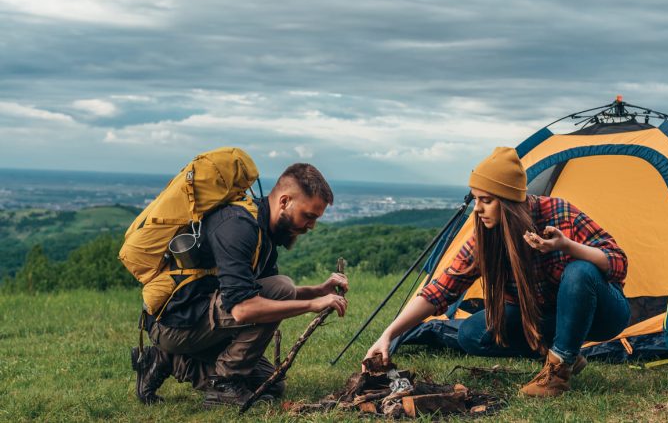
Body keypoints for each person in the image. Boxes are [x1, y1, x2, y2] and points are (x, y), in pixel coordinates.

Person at [364, 147, 630, 397]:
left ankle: (559, 371)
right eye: (475, 199)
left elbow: (618, 262)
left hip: (604, 314)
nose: (477, 209)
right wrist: (388, 335)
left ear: (509, 202)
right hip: (544, 317)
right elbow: (440, 291)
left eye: (486, 200)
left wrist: (567, 246)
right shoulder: (486, 238)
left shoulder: (558, 213)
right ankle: (562, 353)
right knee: (472, 333)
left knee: (580, 271)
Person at [133, 163, 350, 408]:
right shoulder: (238, 225)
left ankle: (165, 360)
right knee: (282, 287)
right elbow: (243, 309)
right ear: (285, 201)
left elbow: (261, 294)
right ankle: (224, 384)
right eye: (308, 216)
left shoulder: (264, 234)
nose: (311, 226)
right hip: (175, 323)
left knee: (270, 384)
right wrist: (312, 304)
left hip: (199, 321)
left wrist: (318, 290)